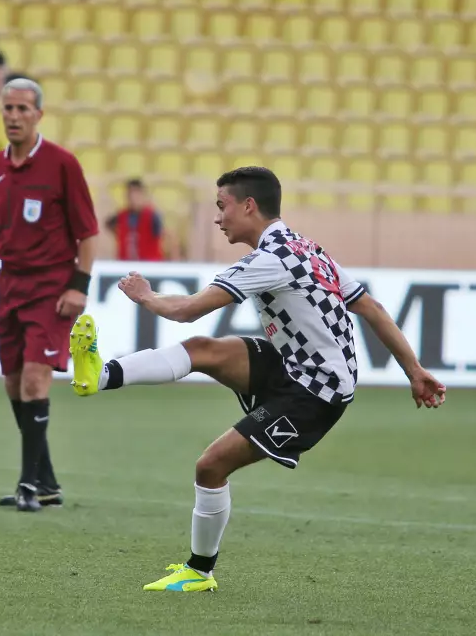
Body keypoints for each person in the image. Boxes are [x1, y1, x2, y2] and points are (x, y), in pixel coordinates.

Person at [68, 166, 447, 591]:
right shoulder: (308, 250)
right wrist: (414, 371)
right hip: (293, 365)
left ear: (248, 205)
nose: (217, 217)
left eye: (221, 206)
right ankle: (97, 377)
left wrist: (147, 297)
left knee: (210, 465)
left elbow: (188, 308)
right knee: (203, 350)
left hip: (315, 391)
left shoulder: (270, 260)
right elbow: (372, 309)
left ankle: (199, 571)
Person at [0, 78, 99, 512]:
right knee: (15, 385)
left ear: (39, 115)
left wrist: (80, 286)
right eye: (8, 109)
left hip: (52, 289)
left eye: (22, 109)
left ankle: (28, 485)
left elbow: (88, 235)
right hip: (8, 286)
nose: (13, 116)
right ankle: (46, 481)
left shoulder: (62, 164)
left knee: (36, 379)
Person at [105, 178, 168, 262]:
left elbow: (166, 235)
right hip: (126, 264)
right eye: (130, 193)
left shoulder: (152, 216)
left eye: (136, 193)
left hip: (149, 264)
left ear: (142, 194)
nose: (133, 197)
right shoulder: (122, 215)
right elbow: (109, 224)